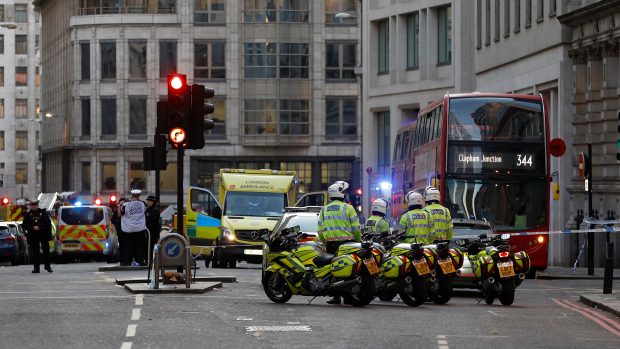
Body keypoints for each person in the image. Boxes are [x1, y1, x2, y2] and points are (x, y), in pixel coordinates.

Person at [316, 180, 361, 304]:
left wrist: (325, 243)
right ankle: (348, 296)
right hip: (348, 244)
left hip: (331, 244)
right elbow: (356, 228)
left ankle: (336, 297)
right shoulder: (348, 208)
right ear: (341, 194)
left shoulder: (324, 210)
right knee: (349, 269)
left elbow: (320, 231)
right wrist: (358, 241)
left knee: (334, 269)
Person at [22, 200, 53, 273]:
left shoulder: (43, 213)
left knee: (46, 251)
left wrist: (40, 227)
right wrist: (32, 227)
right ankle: (36, 268)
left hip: (43, 235)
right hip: (34, 236)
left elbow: (48, 224)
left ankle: (47, 266)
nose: (34, 206)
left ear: (37, 205)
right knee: (35, 252)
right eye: (32, 205)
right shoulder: (28, 215)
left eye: (35, 205)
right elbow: (24, 225)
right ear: (31, 206)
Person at [121, 189, 147, 266]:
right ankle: (141, 261)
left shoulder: (126, 205)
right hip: (140, 228)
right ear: (139, 196)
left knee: (128, 246)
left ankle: (127, 261)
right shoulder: (143, 204)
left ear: (131, 196)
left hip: (129, 229)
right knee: (139, 246)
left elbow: (121, 213)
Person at [145, 195, 161, 264]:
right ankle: (148, 260)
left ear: (153, 202)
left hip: (153, 232)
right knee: (148, 246)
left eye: (149, 201)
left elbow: (152, 221)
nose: (148, 202)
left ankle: (151, 260)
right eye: (147, 201)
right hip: (149, 232)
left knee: (151, 246)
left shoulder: (154, 210)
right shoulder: (148, 209)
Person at [112, 198, 129, 265]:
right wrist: (117, 223)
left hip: (127, 230)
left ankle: (127, 259)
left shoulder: (127, 210)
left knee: (127, 245)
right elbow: (113, 220)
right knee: (121, 246)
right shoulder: (116, 211)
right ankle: (122, 260)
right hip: (120, 231)